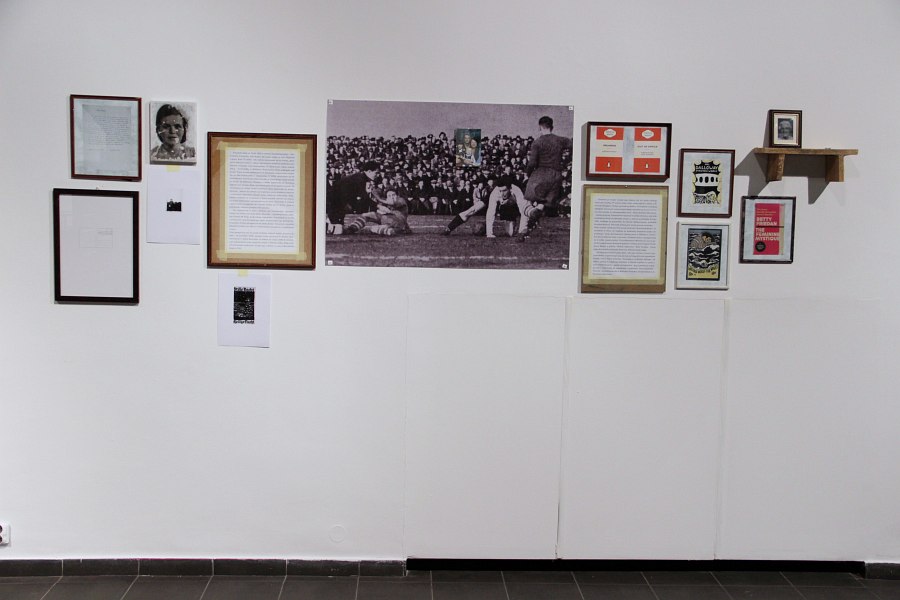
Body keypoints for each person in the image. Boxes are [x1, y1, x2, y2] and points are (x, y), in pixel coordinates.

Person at [522, 115, 572, 239]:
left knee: (527, 201)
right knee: (541, 205)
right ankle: (527, 230)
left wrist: (527, 174)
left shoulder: (537, 142)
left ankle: (524, 226)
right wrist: (566, 162)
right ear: (552, 127)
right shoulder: (561, 140)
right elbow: (574, 145)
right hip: (556, 176)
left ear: (539, 127)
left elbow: (532, 163)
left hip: (541, 174)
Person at [326, 160, 379, 234]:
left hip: (337, 203)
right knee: (338, 231)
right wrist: (377, 206)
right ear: (369, 171)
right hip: (335, 203)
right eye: (376, 173)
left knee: (339, 229)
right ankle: (327, 225)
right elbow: (363, 198)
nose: (377, 175)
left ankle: (329, 225)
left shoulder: (360, 178)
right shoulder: (360, 179)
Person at [343, 188, 411, 236]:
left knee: (384, 230)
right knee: (366, 215)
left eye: (393, 195)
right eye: (389, 196)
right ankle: (352, 228)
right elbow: (379, 211)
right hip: (387, 219)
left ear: (397, 196)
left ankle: (372, 229)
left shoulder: (401, 200)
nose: (392, 197)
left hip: (398, 223)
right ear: (387, 197)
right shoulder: (386, 202)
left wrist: (378, 198)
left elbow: (392, 202)